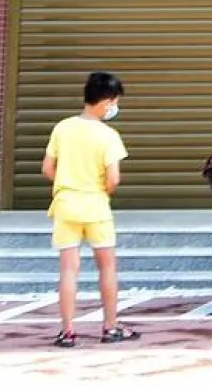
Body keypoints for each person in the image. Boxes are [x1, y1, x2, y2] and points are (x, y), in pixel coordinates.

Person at [42, 72, 137, 348]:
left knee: (69, 269)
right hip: (95, 206)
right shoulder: (108, 136)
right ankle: (110, 327)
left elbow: (48, 168)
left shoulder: (63, 128)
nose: (114, 107)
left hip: (65, 204)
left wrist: (67, 182)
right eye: (114, 101)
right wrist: (99, 190)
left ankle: (68, 331)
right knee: (106, 266)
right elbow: (113, 179)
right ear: (106, 102)